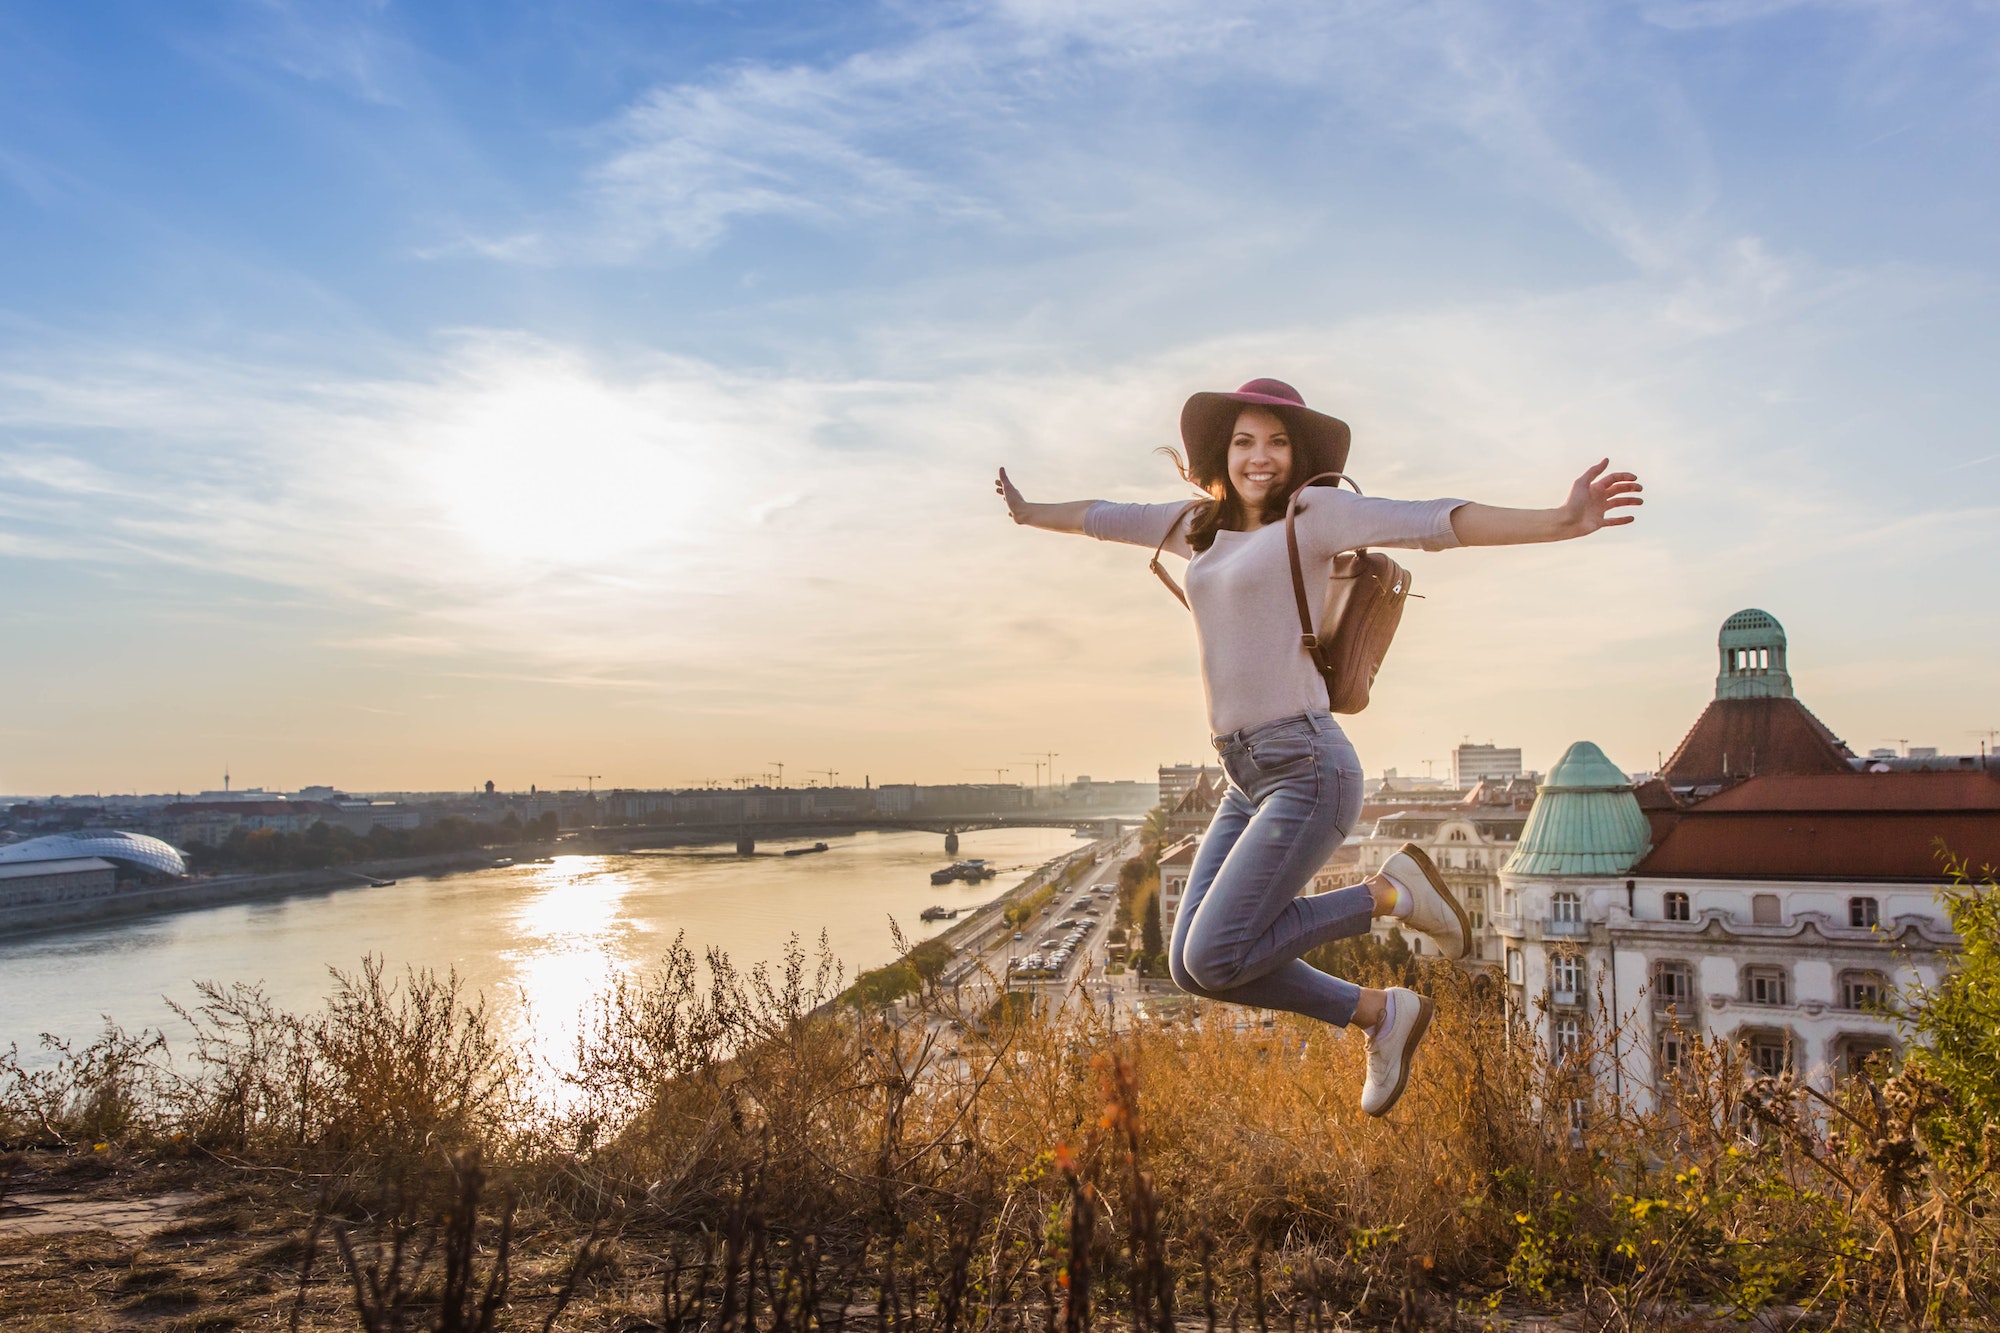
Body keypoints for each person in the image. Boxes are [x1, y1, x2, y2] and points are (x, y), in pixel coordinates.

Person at [995, 378, 1642, 1116]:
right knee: (1190, 965)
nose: (1259, 457)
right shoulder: (1197, 528)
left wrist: (1562, 519)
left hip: (1306, 763)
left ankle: (1389, 895)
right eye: (1244, 441)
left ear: (1298, 457)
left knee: (1213, 951)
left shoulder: (1314, 515)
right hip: (1244, 775)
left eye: (1277, 442)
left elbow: (1434, 520)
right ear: (1222, 452)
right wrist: (1026, 513)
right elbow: (1099, 517)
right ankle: (1380, 1012)